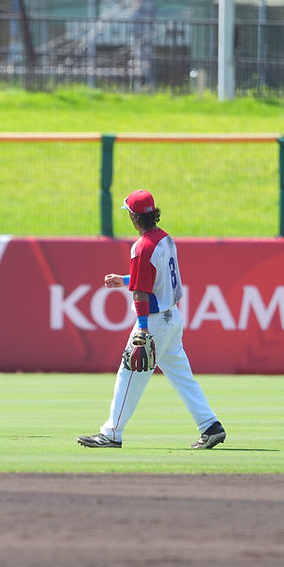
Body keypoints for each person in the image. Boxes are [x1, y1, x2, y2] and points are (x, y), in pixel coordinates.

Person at [78, 189, 226, 450]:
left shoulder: (141, 247)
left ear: (134, 218)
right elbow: (153, 279)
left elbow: (142, 291)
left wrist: (143, 329)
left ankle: (111, 433)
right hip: (173, 318)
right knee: (182, 376)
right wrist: (124, 280)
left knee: (128, 375)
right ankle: (210, 425)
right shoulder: (166, 239)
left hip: (154, 322)